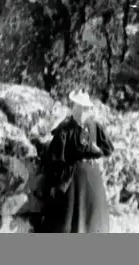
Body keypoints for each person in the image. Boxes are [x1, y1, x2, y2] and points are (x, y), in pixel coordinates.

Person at [38, 90, 114, 233]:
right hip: (83, 179)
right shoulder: (69, 129)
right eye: (80, 107)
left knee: (83, 218)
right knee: (78, 219)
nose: (81, 111)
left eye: (84, 108)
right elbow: (56, 158)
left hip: (83, 180)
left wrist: (94, 152)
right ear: (74, 107)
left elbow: (56, 159)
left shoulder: (86, 127)